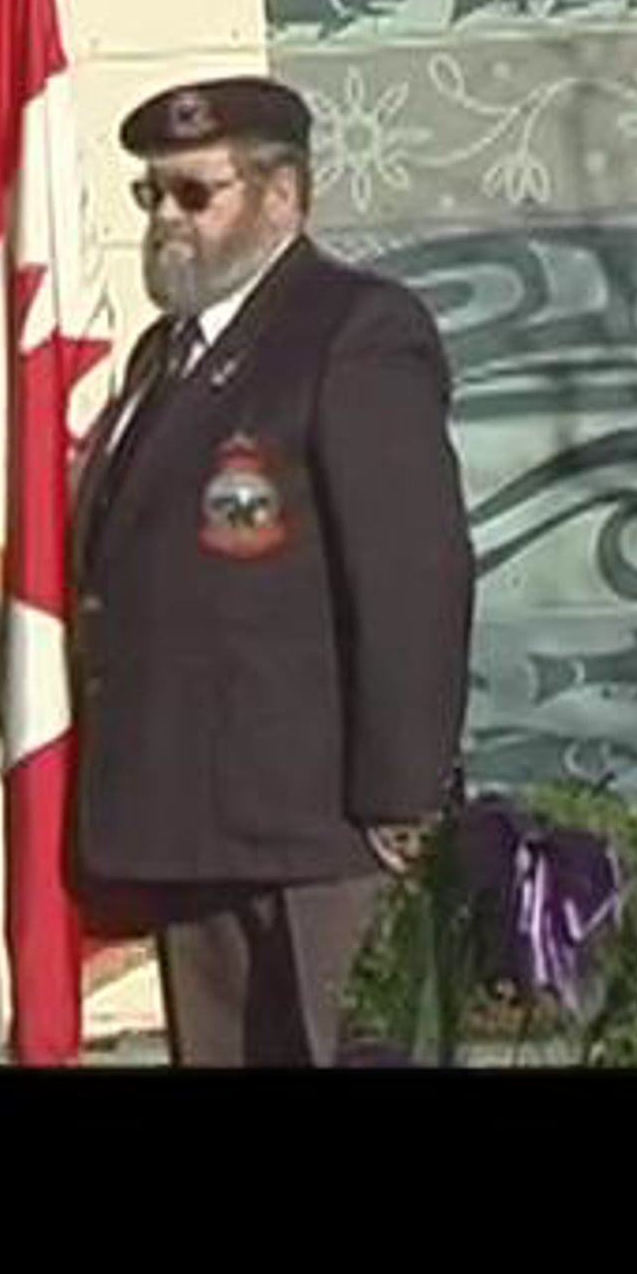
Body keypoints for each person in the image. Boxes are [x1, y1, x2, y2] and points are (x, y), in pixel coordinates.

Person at [68, 76, 476, 1066]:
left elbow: (411, 576)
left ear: (282, 196)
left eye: (194, 193)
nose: (165, 219)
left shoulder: (352, 330)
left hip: (321, 827)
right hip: (192, 823)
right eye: (151, 194)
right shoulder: (165, 355)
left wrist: (402, 797)